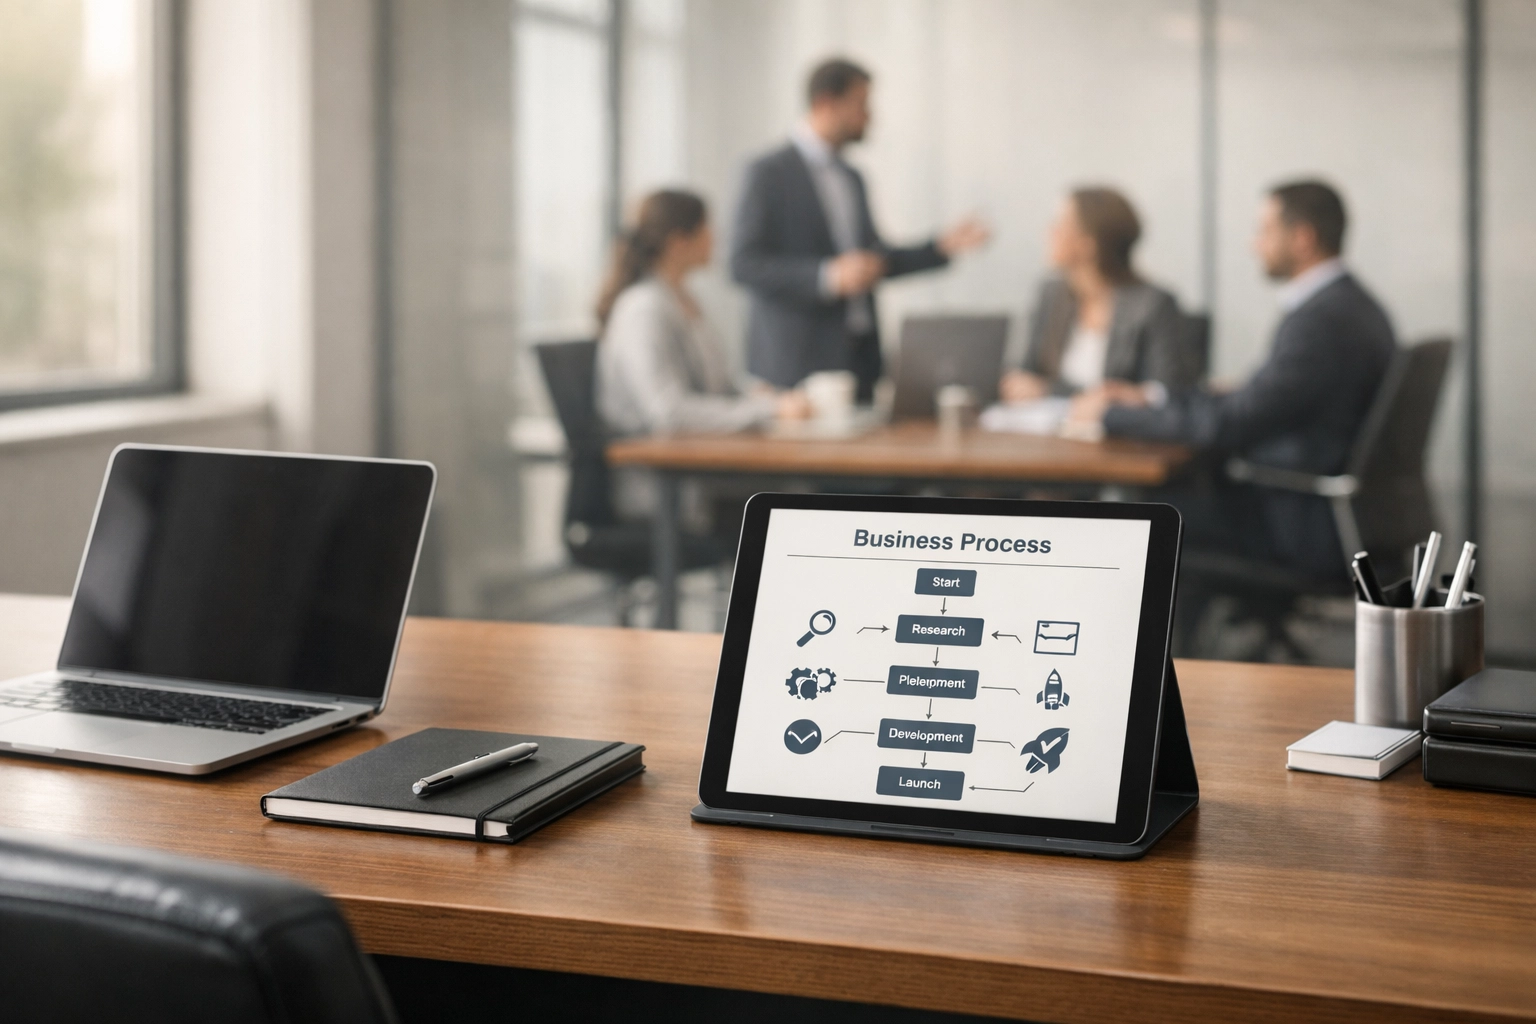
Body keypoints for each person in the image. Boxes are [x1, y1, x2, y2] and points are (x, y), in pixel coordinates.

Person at [1068, 180, 1397, 579]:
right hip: (1325, 510)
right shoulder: (1352, 305)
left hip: (1294, 522)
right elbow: (1260, 400)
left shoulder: (1319, 322)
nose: (1254, 245)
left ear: (1303, 238)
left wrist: (1111, 415)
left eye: (1264, 231)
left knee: (1134, 516)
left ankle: (1155, 642)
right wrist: (1154, 399)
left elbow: (1228, 424)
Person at [730, 57, 990, 403]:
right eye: (862, 105)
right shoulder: (767, 172)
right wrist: (826, 276)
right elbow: (743, 264)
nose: (870, 117)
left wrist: (940, 247)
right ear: (826, 102)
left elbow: (872, 261)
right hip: (796, 365)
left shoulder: (852, 179)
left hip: (859, 359)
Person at [597, 189, 810, 439]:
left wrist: (757, 395)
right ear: (679, 242)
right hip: (661, 461)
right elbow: (669, 412)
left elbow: (715, 387)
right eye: (706, 228)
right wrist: (769, 410)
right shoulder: (644, 308)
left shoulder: (684, 299)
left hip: (700, 450)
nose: (715, 237)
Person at [1000, 188, 1197, 402]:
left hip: (1119, 432)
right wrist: (1019, 384)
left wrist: (1050, 391)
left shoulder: (1154, 304)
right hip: (1048, 429)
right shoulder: (1050, 293)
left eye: (1060, 225)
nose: (1049, 232)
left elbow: (1168, 392)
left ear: (1088, 244)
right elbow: (1022, 371)